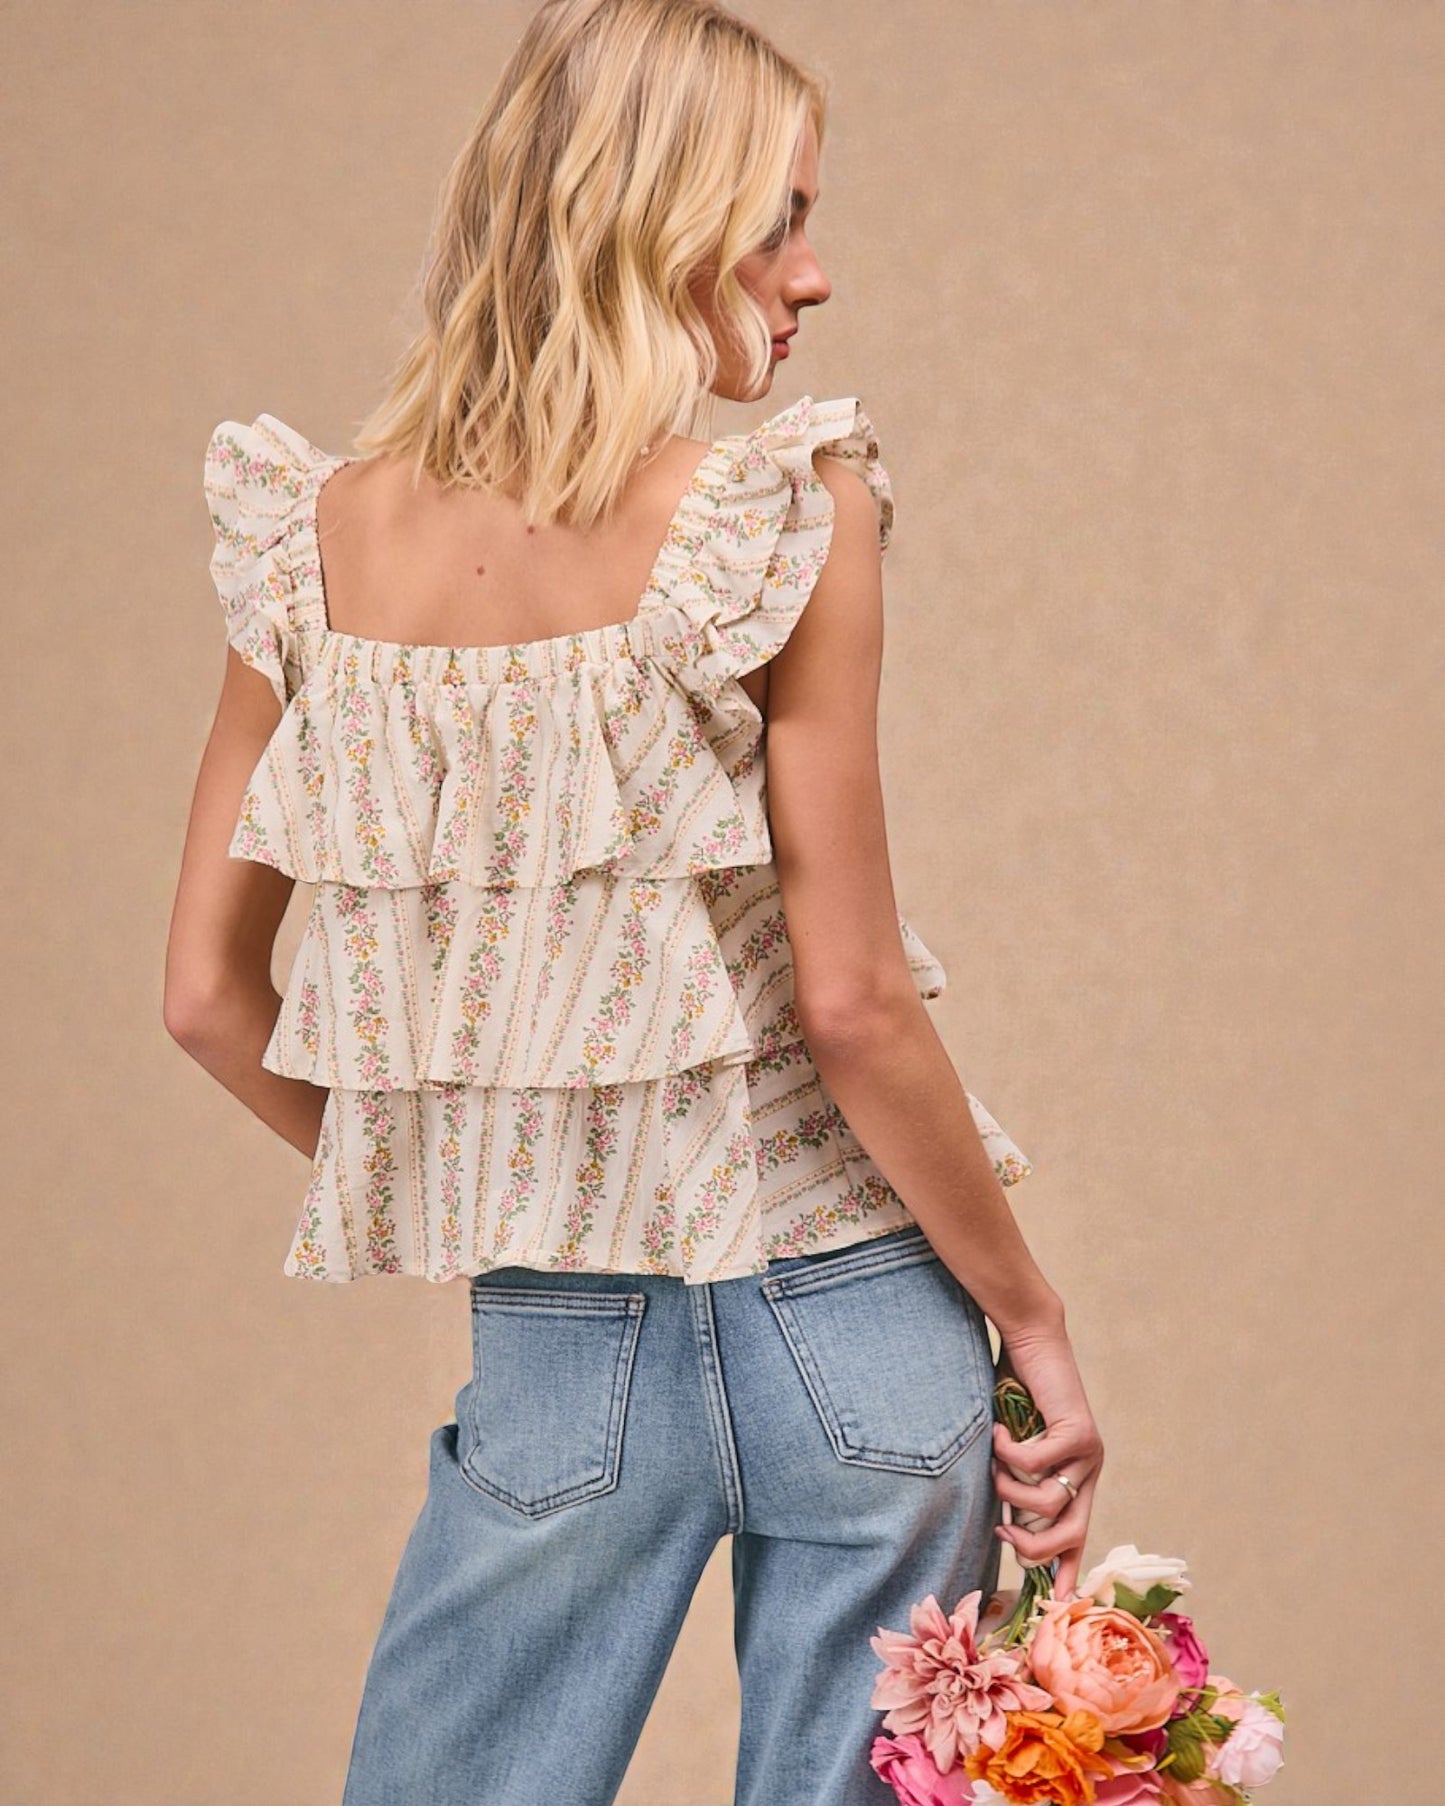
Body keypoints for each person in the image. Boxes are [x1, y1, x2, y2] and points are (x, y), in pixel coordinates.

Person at [164, 2, 1104, 1801]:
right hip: (863, 1316)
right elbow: (850, 1000)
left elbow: (208, 997)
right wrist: (1033, 1314)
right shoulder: (783, 519)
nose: (812, 274)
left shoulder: (314, 541)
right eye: (774, 219)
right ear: (643, 216)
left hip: (564, 1335)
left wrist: (498, 1158)